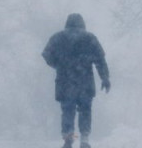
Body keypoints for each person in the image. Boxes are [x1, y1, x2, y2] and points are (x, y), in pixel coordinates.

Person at [42, 13, 110, 148]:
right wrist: (105, 78)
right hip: (85, 81)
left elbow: (46, 54)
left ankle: (69, 138)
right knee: (85, 109)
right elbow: (100, 60)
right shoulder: (90, 38)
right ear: (82, 24)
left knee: (68, 110)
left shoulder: (57, 38)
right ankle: (84, 139)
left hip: (65, 81)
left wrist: (58, 64)